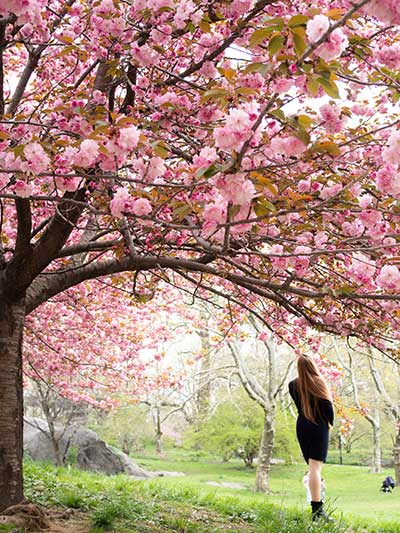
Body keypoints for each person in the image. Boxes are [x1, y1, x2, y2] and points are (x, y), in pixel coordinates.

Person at [289, 354, 334, 522]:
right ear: (312, 365)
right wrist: (330, 422)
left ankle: (316, 504)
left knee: (312, 467)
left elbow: (301, 405)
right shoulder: (319, 381)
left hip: (302, 426)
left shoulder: (293, 385)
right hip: (318, 425)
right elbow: (328, 407)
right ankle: (317, 510)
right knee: (315, 468)